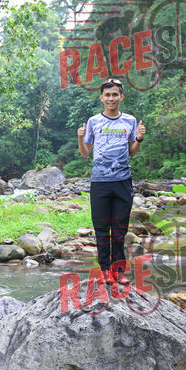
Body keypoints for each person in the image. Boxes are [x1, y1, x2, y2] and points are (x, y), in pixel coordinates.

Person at [77, 78, 146, 285]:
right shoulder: (93, 121)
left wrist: (139, 139)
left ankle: (119, 271)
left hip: (122, 181)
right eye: (107, 95)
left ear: (121, 97)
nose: (111, 98)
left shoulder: (130, 121)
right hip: (100, 182)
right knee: (101, 229)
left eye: (115, 94)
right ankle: (105, 270)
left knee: (119, 230)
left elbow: (132, 152)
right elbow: (85, 153)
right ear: (101, 98)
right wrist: (80, 138)